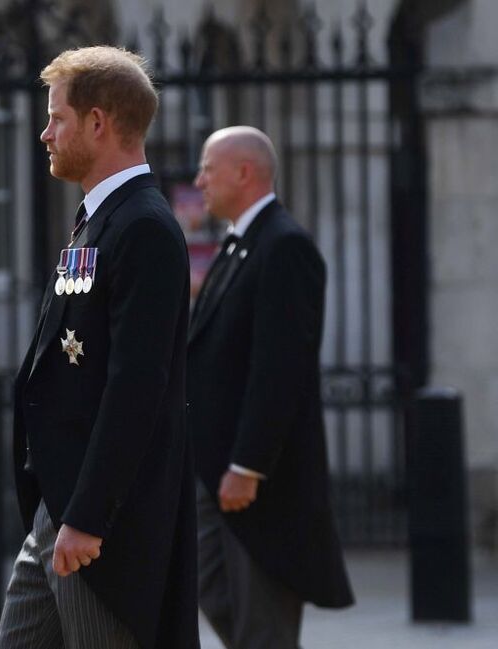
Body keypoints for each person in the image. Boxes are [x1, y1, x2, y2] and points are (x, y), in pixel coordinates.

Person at [0, 46, 199, 649]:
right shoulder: (99, 220)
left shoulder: (143, 227)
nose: (45, 133)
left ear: (98, 123)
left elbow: (137, 386)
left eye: (57, 118)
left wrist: (88, 515)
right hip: (57, 509)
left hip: (101, 526)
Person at [188, 126, 354, 649]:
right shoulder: (240, 243)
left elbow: (280, 369)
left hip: (259, 483)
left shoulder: (284, 246)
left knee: (264, 628)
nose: (199, 182)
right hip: (214, 470)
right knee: (214, 593)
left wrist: (248, 465)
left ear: (244, 172)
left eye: (208, 170)